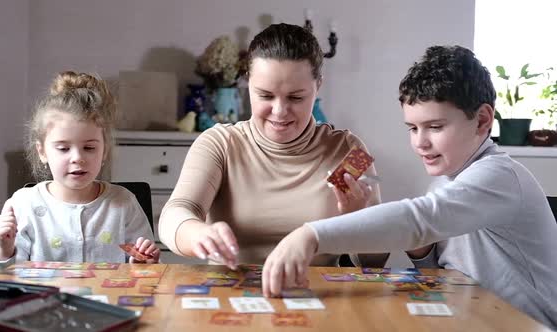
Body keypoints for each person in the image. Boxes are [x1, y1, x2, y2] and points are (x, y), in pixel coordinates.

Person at [261, 45, 557, 329]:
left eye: (435, 127)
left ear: (482, 121)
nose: (420, 142)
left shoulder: (499, 175)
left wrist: (311, 235)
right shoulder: (444, 181)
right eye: (413, 128)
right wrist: (420, 249)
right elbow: (439, 268)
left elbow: (420, 217)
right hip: (476, 317)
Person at [159, 23, 386, 270]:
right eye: (265, 95)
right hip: (229, 293)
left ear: (318, 85)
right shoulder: (220, 144)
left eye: (296, 97)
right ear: (248, 84)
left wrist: (358, 221)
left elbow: (374, 262)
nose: (279, 111)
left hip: (318, 296)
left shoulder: (348, 149)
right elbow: (175, 214)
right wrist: (198, 234)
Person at [0, 71, 159, 274]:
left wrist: (145, 264)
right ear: (42, 151)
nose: (77, 158)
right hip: (47, 305)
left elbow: (148, 275)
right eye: (63, 148)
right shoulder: (24, 204)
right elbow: (1, 283)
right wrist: (5, 249)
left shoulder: (124, 202)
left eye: (89, 148)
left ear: (104, 151)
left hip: (110, 303)